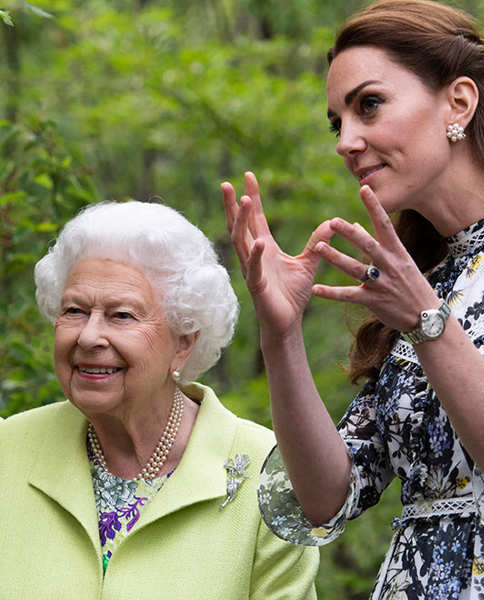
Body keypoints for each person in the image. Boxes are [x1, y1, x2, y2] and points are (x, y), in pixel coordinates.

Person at [221, 0, 484, 598]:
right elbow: (325, 500)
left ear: (459, 103)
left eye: (369, 104)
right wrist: (281, 334)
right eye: (336, 122)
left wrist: (429, 324)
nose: (347, 141)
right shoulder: (415, 277)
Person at [0, 201, 318, 599]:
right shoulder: (8, 450)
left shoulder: (265, 473)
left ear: (184, 342)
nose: (88, 336)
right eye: (75, 311)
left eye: (121, 316)